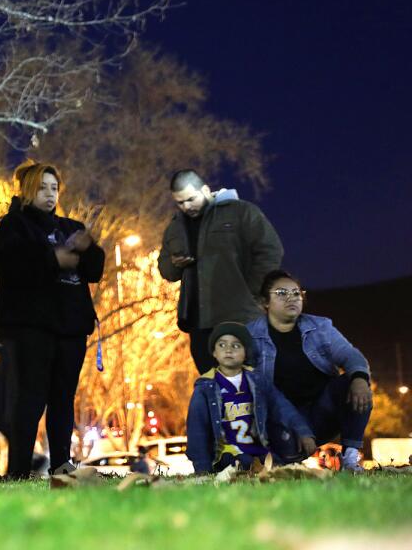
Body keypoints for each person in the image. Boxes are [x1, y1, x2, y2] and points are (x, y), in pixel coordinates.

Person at [0, 162, 105, 477]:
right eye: (43, 187)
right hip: (31, 328)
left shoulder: (69, 227)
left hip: (70, 328)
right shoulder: (13, 227)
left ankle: (61, 465)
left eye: (54, 188)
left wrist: (88, 247)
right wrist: (54, 259)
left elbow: (94, 270)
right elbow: (14, 268)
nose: (50, 194)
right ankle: (19, 469)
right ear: (27, 190)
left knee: (62, 399)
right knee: (29, 399)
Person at [158, 169, 283, 373]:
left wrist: (253, 293)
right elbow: (166, 271)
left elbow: (270, 249)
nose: (186, 206)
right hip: (199, 324)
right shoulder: (175, 228)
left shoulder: (240, 211)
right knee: (213, 389)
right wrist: (175, 263)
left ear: (206, 190)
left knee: (248, 386)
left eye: (191, 199)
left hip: (239, 317)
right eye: (180, 202)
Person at [247, 270, 372, 472]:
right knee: (284, 464)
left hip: (322, 411)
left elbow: (349, 354)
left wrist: (359, 379)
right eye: (281, 293)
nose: (292, 298)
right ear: (265, 302)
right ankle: (278, 458)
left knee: (354, 381)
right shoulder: (250, 336)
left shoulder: (319, 326)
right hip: (282, 419)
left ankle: (349, 459)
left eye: (296, 293)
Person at [186, 322, 315, 474]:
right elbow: (196, 430)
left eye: (236, 346)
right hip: (227, 457)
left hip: (259, 453)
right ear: (214, 352)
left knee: (283, 462)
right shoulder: (205, 388)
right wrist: (202, 469)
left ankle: (284, 464)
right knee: (245, 461)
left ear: (245, 352)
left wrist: (303, 432)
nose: (228, 350)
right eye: (222, 345)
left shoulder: (258, 381)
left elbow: (281, 407)